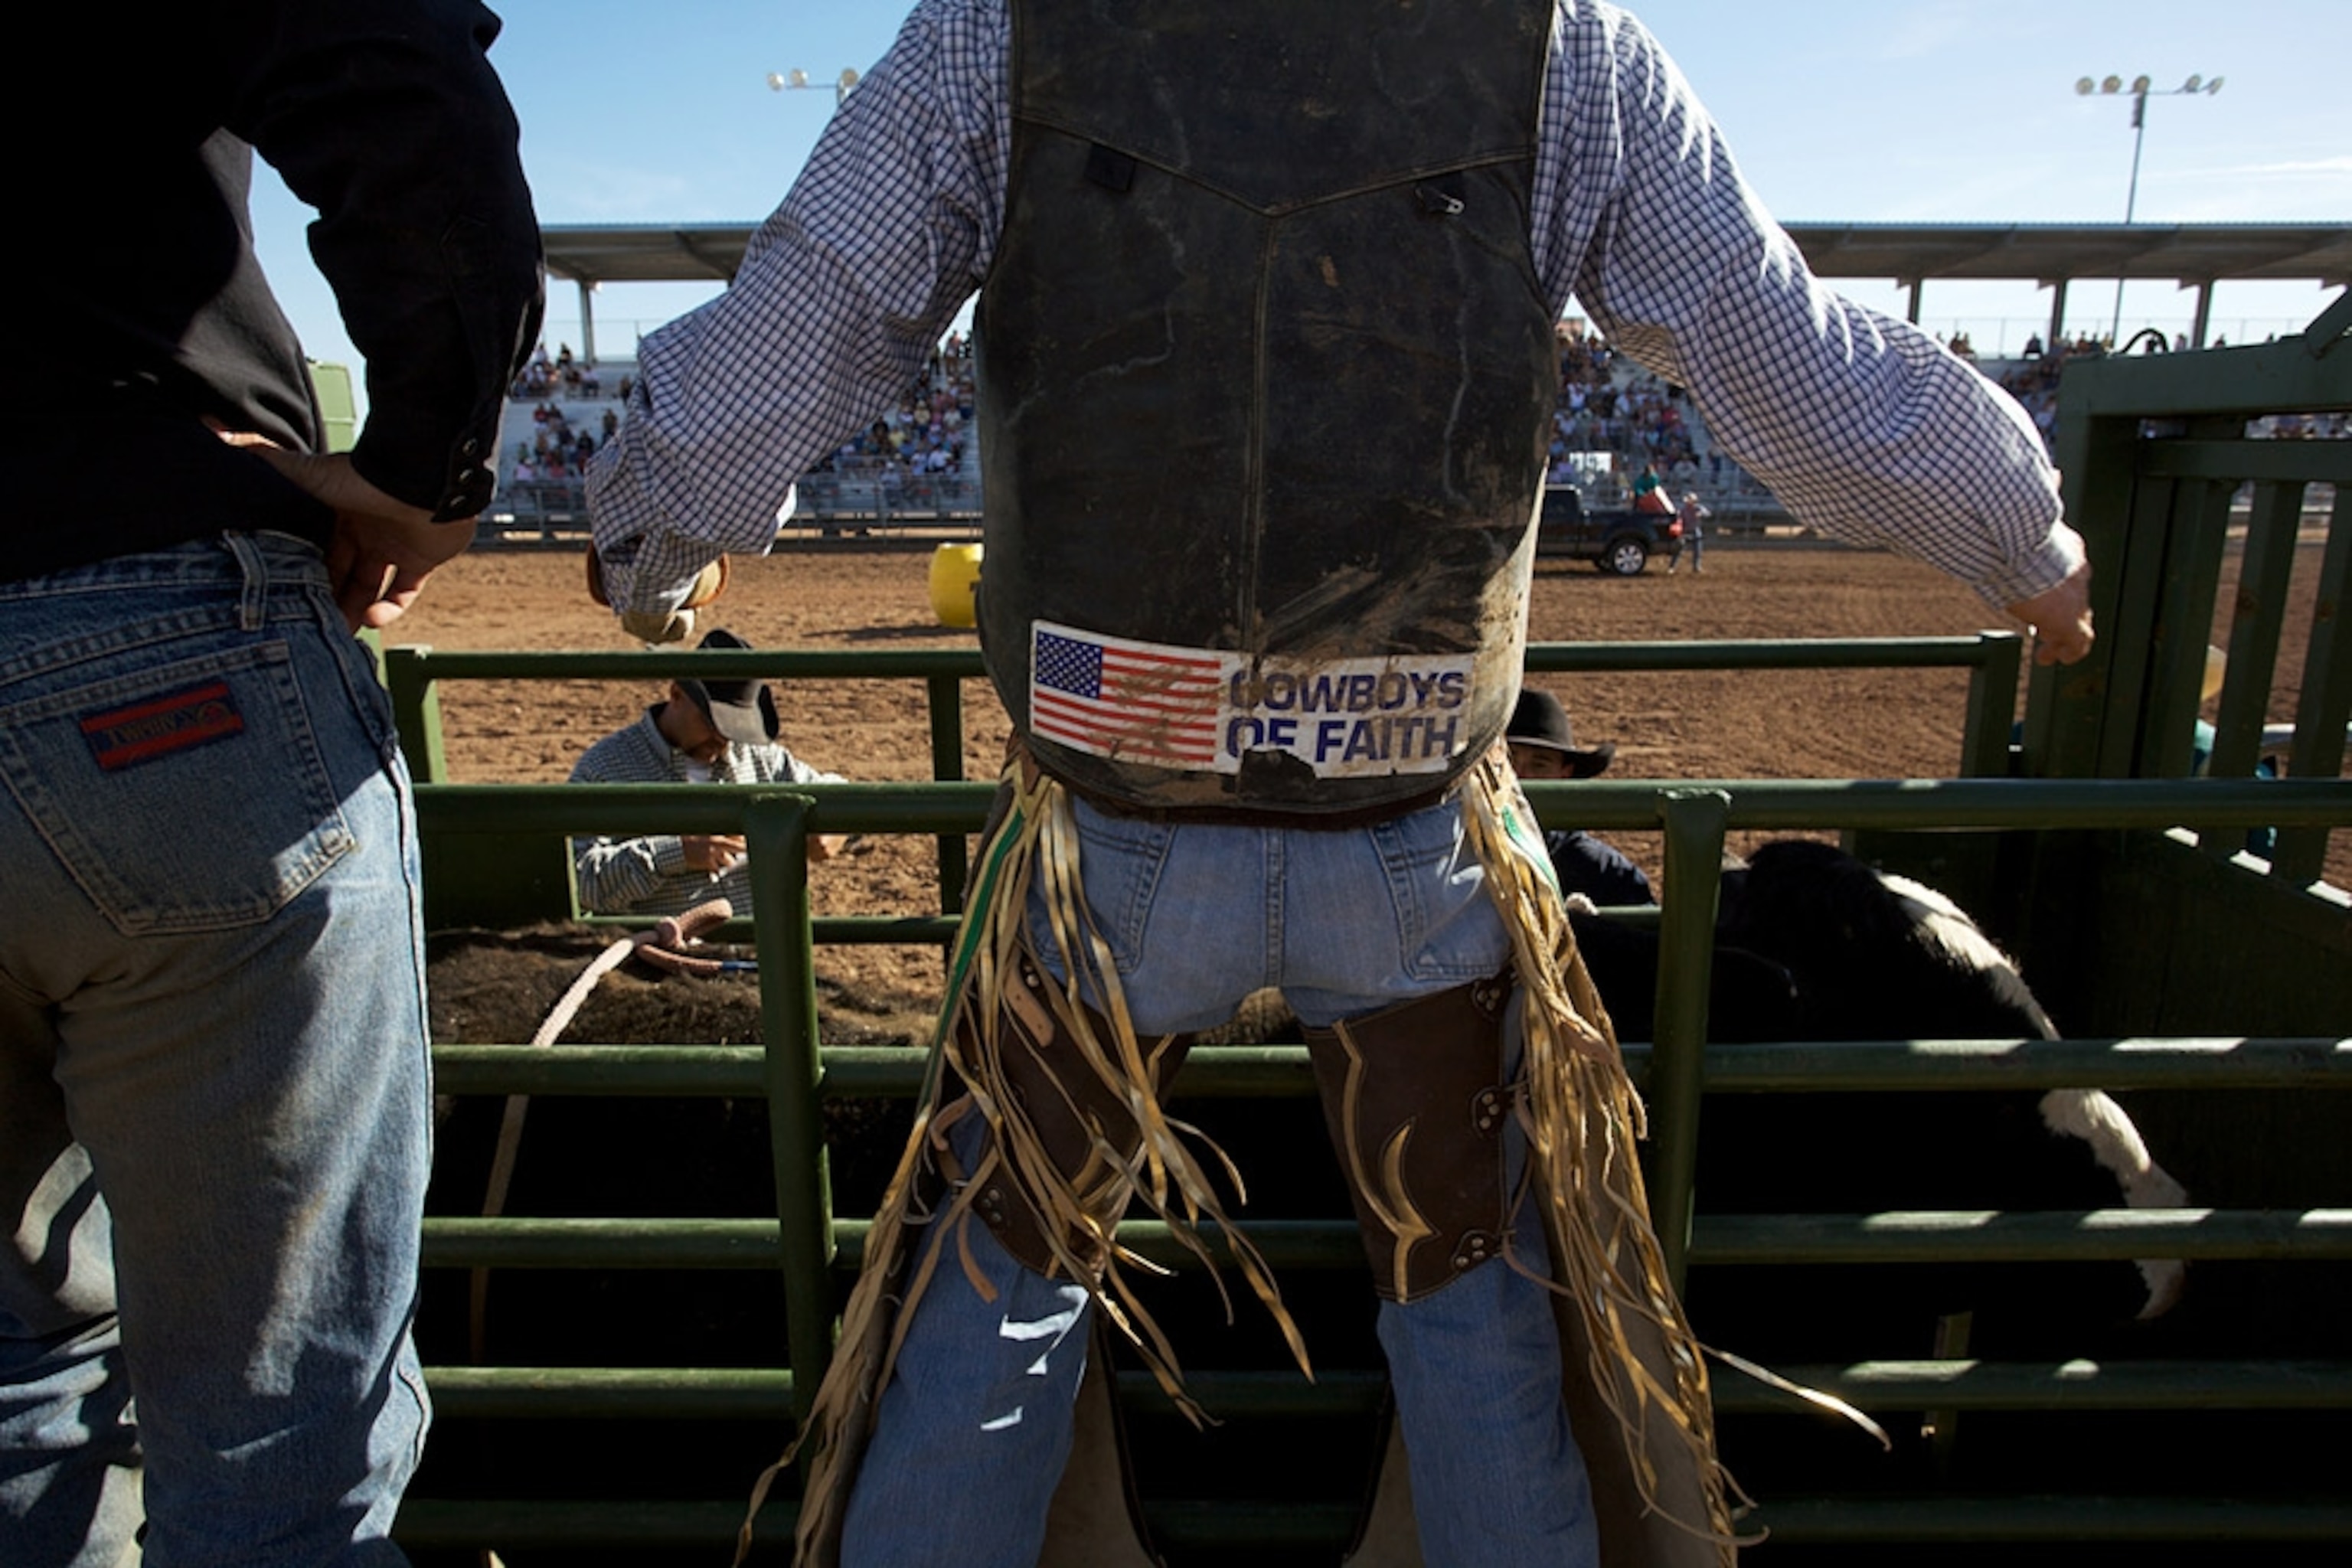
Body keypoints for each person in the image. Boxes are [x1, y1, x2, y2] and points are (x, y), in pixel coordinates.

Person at [584, 4, 2095, 1564]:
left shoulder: (1004, 26)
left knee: (1002, 1289)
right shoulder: (1560, 41)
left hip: (1116, 832)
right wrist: (2021, 540)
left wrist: (654, 541)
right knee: (1473, 1314)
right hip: (1410, 830)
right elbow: (1778, 347)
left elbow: (817, 304)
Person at [0, 4, 542, 1563]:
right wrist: (433, 470)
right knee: (280, 1434)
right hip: (141, 622)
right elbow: (388, 75)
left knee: (18, 1373)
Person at [569, 629, 847, 918]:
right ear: (676, 694)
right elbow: (583, 883)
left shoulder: (758, 756)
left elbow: (836, 791)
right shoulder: (604, 768)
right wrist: (677, 853)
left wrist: (833, 827)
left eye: (733, 729)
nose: (722, 739)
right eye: (711, 722)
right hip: (662, 954)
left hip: (759, 951)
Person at [1506, 688, 1655, 908]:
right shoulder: (1454, 844)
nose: (1521, 776)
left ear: (1564, 773)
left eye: (1539, 765)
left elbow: (1649, 934)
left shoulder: (1599, 870)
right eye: (1510, 758)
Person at [1672, 488, 1713, 574]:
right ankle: (1672, 566)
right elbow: (1679, 518)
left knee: (1698, 551)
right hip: (1686, 531)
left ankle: (1696, 567)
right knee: (1679, 548)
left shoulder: (1698, 508)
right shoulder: (1684, 510)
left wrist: (1701, 514)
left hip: (1695, 531)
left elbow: (1708, 513)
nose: (1688, 503)